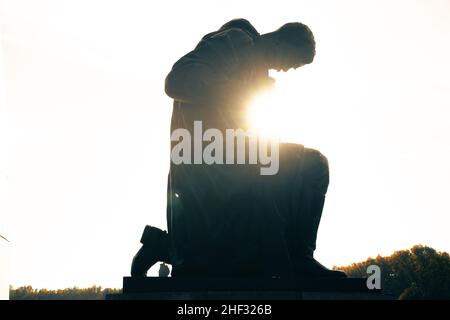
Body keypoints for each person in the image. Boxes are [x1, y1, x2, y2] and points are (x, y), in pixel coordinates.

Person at [131, 19, 346, 278]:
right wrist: (242, 90)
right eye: (291, 61)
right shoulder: (235, 41)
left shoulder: (255, 68)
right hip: (207, 162)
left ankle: (294, 255)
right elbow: (176, 81)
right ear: (281, 42)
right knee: (311, 165)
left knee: (299, 166)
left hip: (230, 159)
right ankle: (298, 258)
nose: (286, 69)